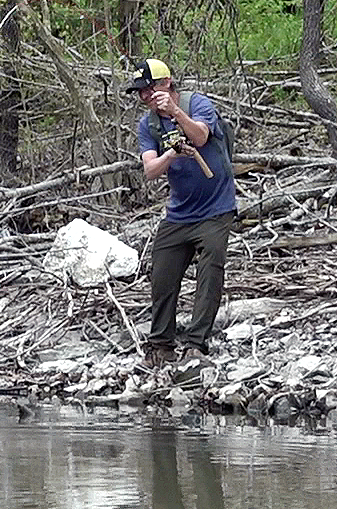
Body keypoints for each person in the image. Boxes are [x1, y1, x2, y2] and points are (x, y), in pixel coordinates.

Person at [126, 58, 236, 368]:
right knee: (162, 272)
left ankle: (196, 343)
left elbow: (201, 136)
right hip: (179, 213)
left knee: (210, 269)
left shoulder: (197, 103)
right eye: (140, 93)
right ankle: (161, 344)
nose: (145, 97)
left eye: (149, 90)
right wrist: (172, 152)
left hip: (216, 207)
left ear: (166, 84)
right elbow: (150, 170)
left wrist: (176, 113)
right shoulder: (148, 126)